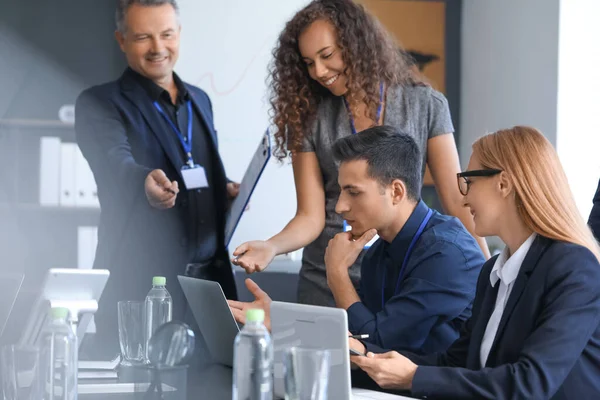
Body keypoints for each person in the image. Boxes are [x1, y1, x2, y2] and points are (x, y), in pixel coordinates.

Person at [232, 0, 488, 307]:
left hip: (403, 278)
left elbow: (457, 203)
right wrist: (271, 246)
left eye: (327, 56)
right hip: (326, 281)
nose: (319, 72)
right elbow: (311, 216)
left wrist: (487, 275)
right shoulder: (310, 116)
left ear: (356, 45)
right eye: (308, 62)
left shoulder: (426, 105)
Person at [351, 126, 600, 400]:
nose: (464, 198)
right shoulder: (492, 273)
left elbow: (530, 383)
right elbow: (457, 364)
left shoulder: (574, 268)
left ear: (504, 183)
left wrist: (413, 377)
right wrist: (366, 356)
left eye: (469, 181)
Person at [231, 126, 484, 355]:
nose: (340, 206)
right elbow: (355, 336)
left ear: (396, 192)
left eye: (353, 192)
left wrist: (337, 273)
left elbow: (377, 344)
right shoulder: (378, 249)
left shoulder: (446, 254)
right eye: (341, 191)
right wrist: (281, 322)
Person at [75, 0, 238, 353]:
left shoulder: (200, 100)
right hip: (143, 288)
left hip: (210, 288)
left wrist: (220, 193)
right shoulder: (99, 103)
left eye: (166, 34)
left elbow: (198, 170)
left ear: (179, 34)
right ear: (121, 40)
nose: (158, 48)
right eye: (143, 37)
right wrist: (143, 183)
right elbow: (114, 163)